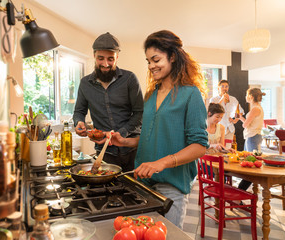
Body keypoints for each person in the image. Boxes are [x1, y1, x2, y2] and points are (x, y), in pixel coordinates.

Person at [109, 30, 208, 228]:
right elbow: (151, 135)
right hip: (144, 183)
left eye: (156, 59)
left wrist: (161, 163)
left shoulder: (190, 94)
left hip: (171, 186)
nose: (152, 66)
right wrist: (125, 141)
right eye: (148, 61)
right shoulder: (151, 95)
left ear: (172, 56)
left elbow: (199, 146)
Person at [73, 32, 144, 172]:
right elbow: (79, 111)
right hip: (104, 152)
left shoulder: (130, 79)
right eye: (101, 58)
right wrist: (79, 122)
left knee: (134, 190)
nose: (105, 64)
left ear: (117, 57)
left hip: (132, 150)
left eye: (110, 59)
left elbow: (139, 113)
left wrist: (121, 134)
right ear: (94, 56)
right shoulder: (85, 83)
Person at [237, 88, 265, 191]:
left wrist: (242, 120)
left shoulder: (255, 109)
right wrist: (240, 117)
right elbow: (248, 124)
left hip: (252, 137)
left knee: (251, 165)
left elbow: (245, 125)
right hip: (252, 136)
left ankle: (241, 190)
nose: (245, 97)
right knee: (249, 163)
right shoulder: (257, 108)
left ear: (251, 97)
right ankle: (242, 190)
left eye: (246, 95)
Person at [209, 80, 244, 148]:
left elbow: (240, 111)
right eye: (222, 86)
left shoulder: (233, 99)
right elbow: (212, 110)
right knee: (218, 147)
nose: (224, 88)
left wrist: (235, 120)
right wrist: (222, 99)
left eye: (226, 86)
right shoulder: (213, 99)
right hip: (217, 128)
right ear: (218, 88)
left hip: (229, 128)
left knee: (227, 149)